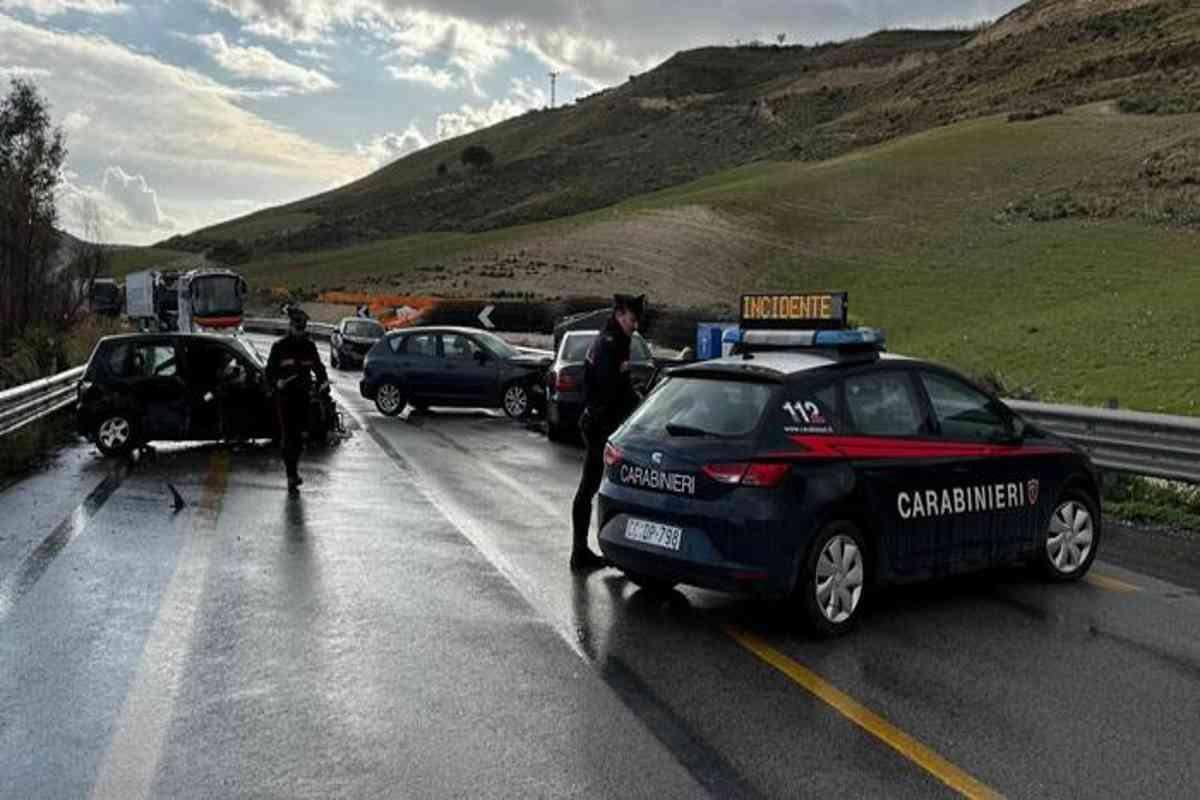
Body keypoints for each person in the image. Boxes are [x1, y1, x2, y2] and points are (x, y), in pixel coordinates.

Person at [571, 294, 646, 571]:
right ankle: (581, 552)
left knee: (592, 488)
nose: (635, 325)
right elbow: (608, 390)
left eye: (637, 320)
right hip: (600, 424)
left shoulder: (614, 339)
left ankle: (584, 551)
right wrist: (632, 403)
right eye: (632, 319)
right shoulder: (609, 343)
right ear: (619, 314)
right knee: (591, 488)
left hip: (600, 422)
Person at [266, 305, 329, 491]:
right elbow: (269, 372)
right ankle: (291, 474)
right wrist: (276, 382)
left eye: (302, 329)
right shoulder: (279, 347)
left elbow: (319, 368)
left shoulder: (309, 346)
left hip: (303, 396)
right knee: (288, 436)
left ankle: (294, 470)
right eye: (296, 328)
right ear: (290, 326)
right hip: (285, 398)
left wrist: (323, 382)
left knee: (301, 436)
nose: (299, 332)